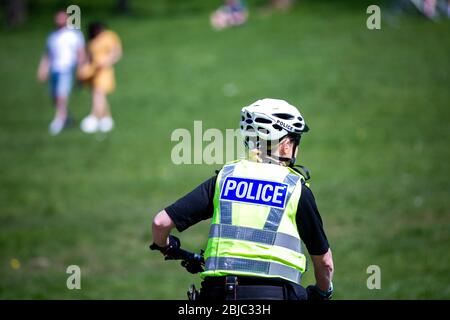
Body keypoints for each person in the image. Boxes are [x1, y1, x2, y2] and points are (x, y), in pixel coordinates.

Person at [151, 98, 334, 300]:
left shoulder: (225, 178)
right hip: (276, 295)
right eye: (295, 140)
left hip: (218, 295)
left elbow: (161, 223)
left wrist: (166, 246)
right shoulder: (295, 188)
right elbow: (324, 263)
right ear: (285, 145)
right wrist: (323, 292)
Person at [37, 11, 85, 135]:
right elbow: (48, 54)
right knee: (54, 96)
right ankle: (66, 117)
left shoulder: (74, 35)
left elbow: (80, 53)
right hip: (54, 69)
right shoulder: (52, 36)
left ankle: (59, 120)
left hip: (67, 68)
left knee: (61, 95)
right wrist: (43, 69)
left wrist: (81, 69)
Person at [77, 22, 122, 133]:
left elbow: (116, 52)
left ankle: (95, 116)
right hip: (94, 70)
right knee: (97, 93)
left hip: (105, 70)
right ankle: (105, 118)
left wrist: (107, 61)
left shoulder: (109, 36)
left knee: (99, 92)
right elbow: (89, 57)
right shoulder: (92, 41)